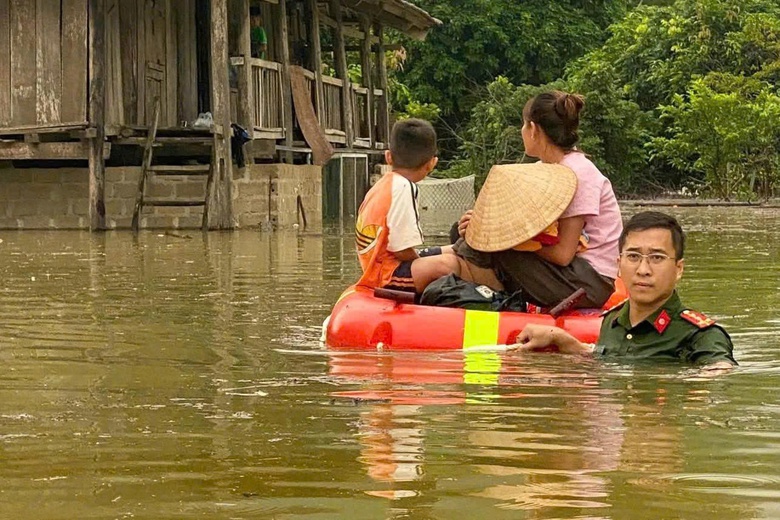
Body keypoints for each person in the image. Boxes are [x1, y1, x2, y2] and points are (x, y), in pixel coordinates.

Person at [453, 90, 622, 309]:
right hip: (566, 271)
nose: (522, 132)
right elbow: (510, 222)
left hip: (588, 280)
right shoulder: (541, 170)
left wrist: (506, 239)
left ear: (533, 129)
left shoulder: (579, 173)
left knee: (484, 248)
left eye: (523, 126)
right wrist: (480, 226)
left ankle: (504, 309)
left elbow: (562, 254)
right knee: (466, 234)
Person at [514, 211, 737, 369]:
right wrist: (559, 338)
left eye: (657, 258)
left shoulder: (701, 336)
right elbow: (605, 358)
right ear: (618, 265)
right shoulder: (612, 322)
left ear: (678, 269)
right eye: (633, 257)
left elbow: (718, 373)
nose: (643, 269)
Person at [355, 119, 454, 293]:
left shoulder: (383, 184)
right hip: (386, 274)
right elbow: (401, 250)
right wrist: (421, 262)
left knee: (454, 250)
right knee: (450, 264)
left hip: (382, 265)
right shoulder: (403, 187)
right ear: (432, 163)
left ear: (388, 157)